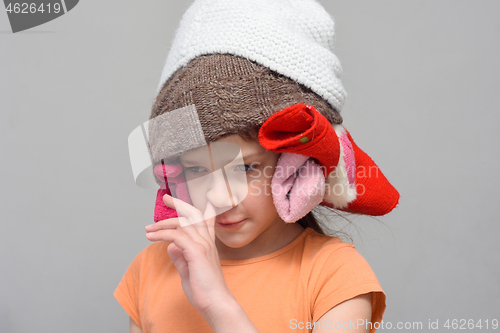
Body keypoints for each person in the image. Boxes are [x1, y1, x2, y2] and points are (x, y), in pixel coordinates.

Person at [114, 1, 400, 332]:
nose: (220, 198)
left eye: (246, 168)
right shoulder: (152, 268)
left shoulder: (335, 276)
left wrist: (217, 304)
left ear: (295, 167)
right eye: (195, 170)